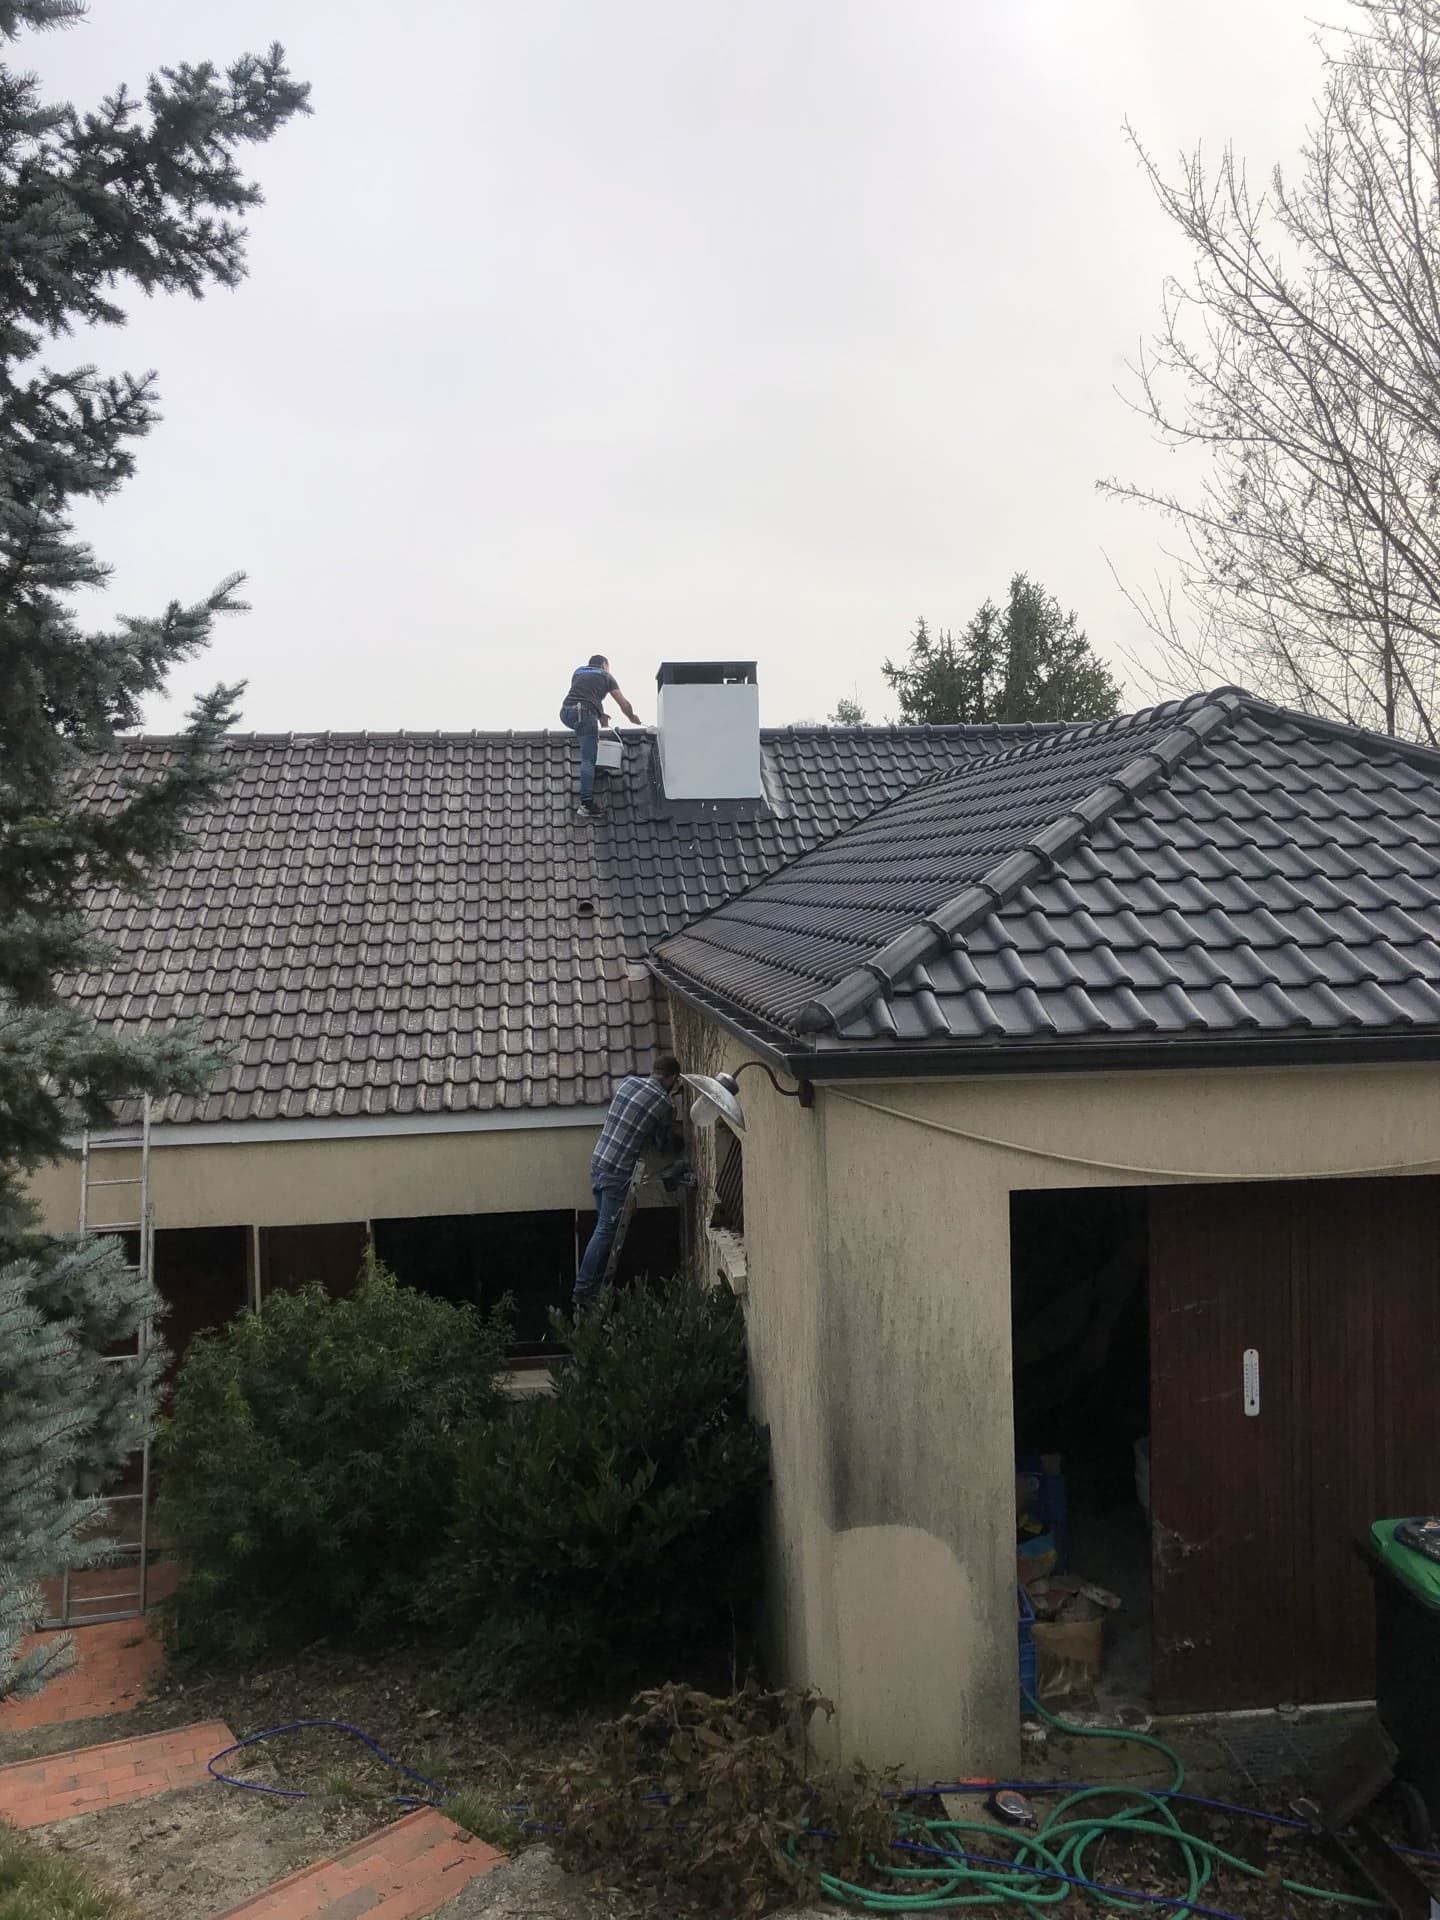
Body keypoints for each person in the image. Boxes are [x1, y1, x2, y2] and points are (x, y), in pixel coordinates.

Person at [573, 1051, 682, 1316]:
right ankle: (584, 1289)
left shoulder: (629, 1082)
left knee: (603, 1226)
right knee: (605, 1231)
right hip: (618, 1171)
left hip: (599, 1161)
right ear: (672, 1079)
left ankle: (594, 1287)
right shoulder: (664, 1104)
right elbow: (661, 1143)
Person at [559, 653, 641, 818]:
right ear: (604, 665)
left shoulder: (578, 671)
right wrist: (632, 717)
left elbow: (586, 694)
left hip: (566, 712)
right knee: (588, 758)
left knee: (588, 736)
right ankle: (586, 803)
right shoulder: (606, 676)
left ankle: (590, 747)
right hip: (585, 714)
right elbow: (623, 703)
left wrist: (600, 714)